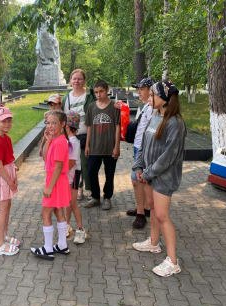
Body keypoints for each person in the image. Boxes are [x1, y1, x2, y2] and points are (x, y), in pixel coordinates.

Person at [132, 81, 186, 277]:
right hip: (149, 174)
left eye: (153, 95)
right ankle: (154, 243)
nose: (149, 97)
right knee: (153, 209)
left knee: (163, 216)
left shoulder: (175, 123)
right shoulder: (155, 115)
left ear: (164, 99)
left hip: (163, 178)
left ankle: (173, 261)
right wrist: (139, 166)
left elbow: (169, 156)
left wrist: (148, 173)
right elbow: (144, 145)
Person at [31, 110, 71, 260]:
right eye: (48, 122)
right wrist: (47, 140)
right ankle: (62, 245)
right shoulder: (55, 139)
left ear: (62, 124)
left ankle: (48, 248)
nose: (50, 126)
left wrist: (49, 187)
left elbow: (58, 166)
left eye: (54, 122)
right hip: (56, 181)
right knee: (58, 212)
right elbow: (46, 158)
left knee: (45, 214)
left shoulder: (61, 142)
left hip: (55, 182)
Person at [0, 107, 20, 256]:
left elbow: (10, 160)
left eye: (9, 121)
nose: (7, 124)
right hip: (3, 177)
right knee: (3, 209)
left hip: (8, 173)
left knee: (7, 206)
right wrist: (10, 182)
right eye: (3, 121)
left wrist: (15, 177)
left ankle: (5, 236)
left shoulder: (6, 138)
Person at [85, 80, 121, 210]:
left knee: (109, 174)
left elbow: (118, 127)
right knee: (91, 172)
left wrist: (117, 146)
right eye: (96, 92)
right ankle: (95, 197)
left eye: (101, 91)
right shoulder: (91, 107)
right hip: (94, 147)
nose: (98, 94)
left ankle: (107, 197)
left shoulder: (114, 107)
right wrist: (88, 145)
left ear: (107, 91)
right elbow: (89, 126)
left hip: (109, 147)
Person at [126, 77, 156, 229]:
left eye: (141, 89)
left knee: (137, 180)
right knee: (139, 181)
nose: (139, 92)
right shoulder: (146, 106)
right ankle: (143, 208)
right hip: (139, 147)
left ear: (151, 90)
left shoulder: (153, 108)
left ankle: (141, 214)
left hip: (145, 150)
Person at [62, 69, 96, 201]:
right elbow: (63, 117)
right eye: (74, 78)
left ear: (84, 81)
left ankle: (89, 188)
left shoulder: (89, 96)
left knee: (86, 163)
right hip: (71, 138)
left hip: (87, 135)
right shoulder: (66, 98)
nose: (76, 81)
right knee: (74, 164)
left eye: (79, 78)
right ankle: (79, 188)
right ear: (70, 80)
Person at [65, 111, 87, 244]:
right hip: (69, 176)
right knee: (68, 202)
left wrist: (58, 173)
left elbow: (71, 163)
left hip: (73, 176)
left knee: (73, 204)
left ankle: (80, 230)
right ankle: (67, 224)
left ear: (67, 126)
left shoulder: (73, 141)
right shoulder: (70, 140)